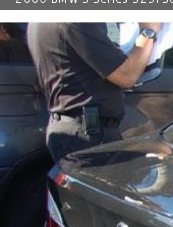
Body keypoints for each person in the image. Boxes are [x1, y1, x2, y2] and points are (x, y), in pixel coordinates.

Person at [27, 22, 162, 162]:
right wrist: (149, 31)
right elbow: (127, 75)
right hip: (86, 133)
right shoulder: (77, 22)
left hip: (73, 129)